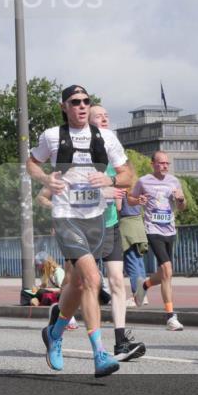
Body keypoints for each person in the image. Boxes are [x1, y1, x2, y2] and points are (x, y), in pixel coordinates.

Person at [28, 84, 133, 377]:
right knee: (92, 279)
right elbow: (31, 164)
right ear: (64, 106)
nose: (82, 106)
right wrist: (45, 178)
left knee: (76, 284)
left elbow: (128, 173)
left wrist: (111, 182)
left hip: (96, 218)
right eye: (75, 102)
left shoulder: (106, 137)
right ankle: (99, 353)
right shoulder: (52, 136)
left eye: (86, 101)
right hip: (66, 216)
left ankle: (55, 332)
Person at [90, 104, 146, 360]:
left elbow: (128, 178)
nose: (105, 118)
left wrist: (116, 185)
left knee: (116, 280)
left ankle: (120, 342)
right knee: (80, 283)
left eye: (106, 116)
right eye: (99, 116)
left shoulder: (114, 152)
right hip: (84, 224)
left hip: (110, 222)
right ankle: (58, 321)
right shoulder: (79, 151)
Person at [129, 151, 188, 331]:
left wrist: (181, 199)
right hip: (152, 229)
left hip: (170, 230)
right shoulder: (143, 181)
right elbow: (130, 199)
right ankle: (170, 316)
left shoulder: (174, 181)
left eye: (167, 164)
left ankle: (144, 285)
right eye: (161, 163)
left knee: (166, 273)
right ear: (152, 163)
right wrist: (138, 200)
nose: (164, 166)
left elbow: (182, 207)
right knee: (167, 269)